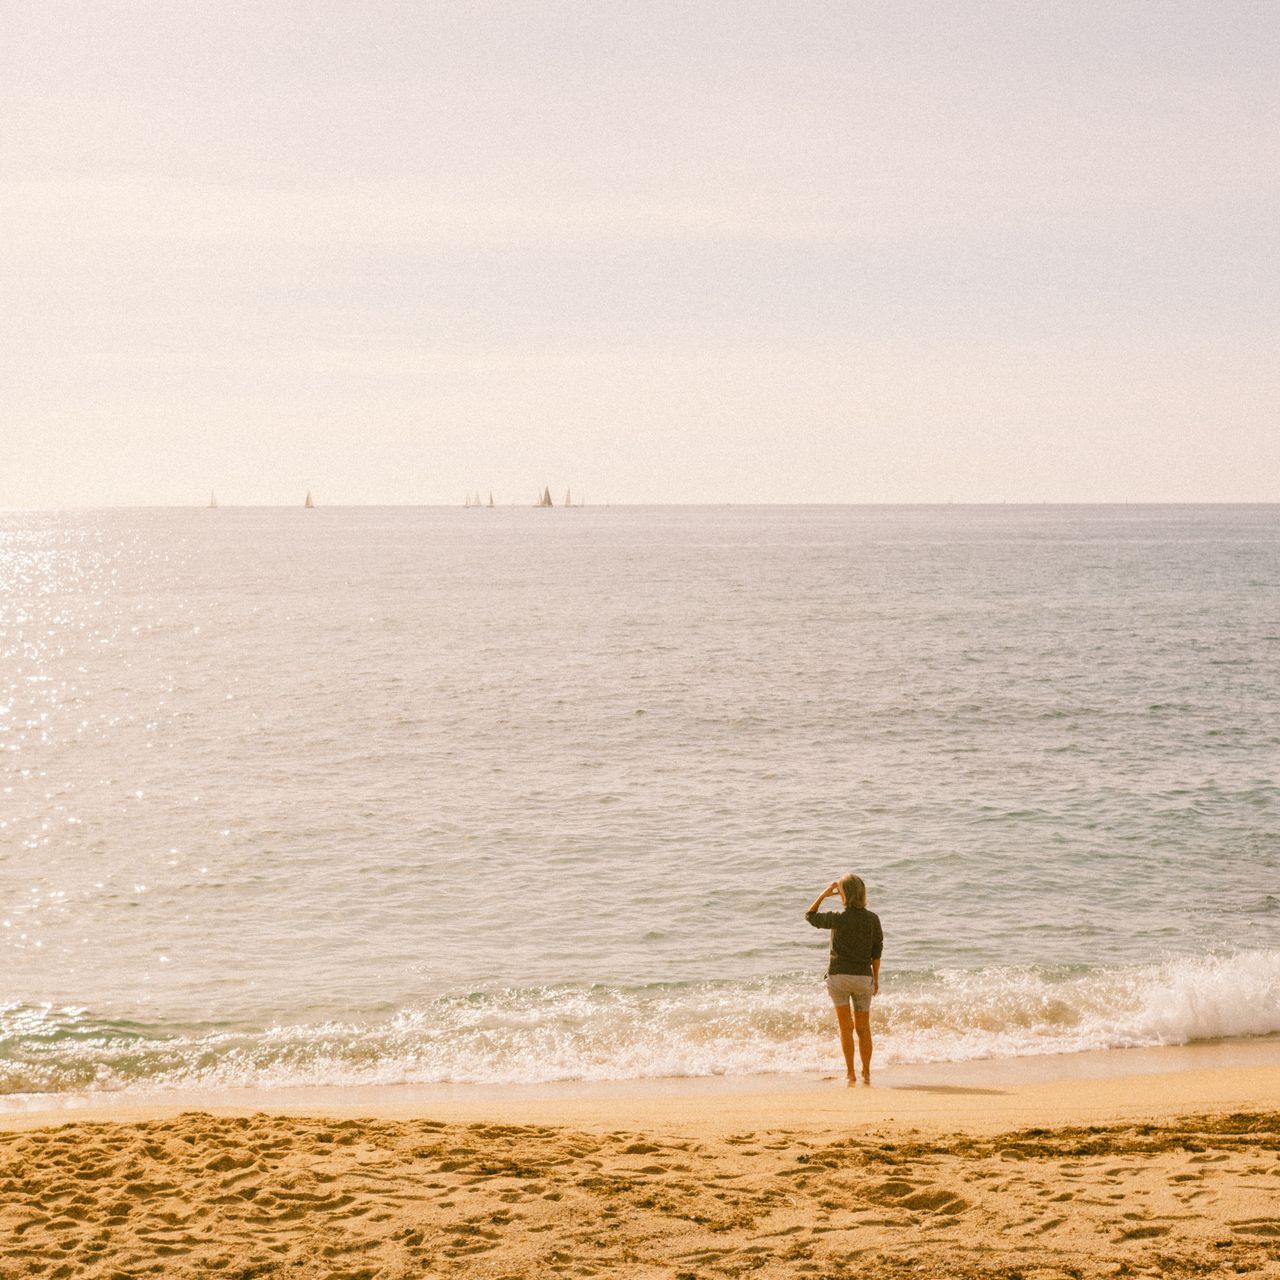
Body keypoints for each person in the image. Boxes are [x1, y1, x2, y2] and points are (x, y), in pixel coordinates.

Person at [805, 874, 883, 1085]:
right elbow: (877, 952)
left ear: (844, 894)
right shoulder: (872, 919)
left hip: (839, 977)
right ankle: (866, 1072)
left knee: (845, 1028)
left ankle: (850, 1073)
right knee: (863, 1028)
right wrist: (875, 979)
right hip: (862, 978)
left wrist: (824, 894)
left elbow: (810, 916)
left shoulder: (838, 918)